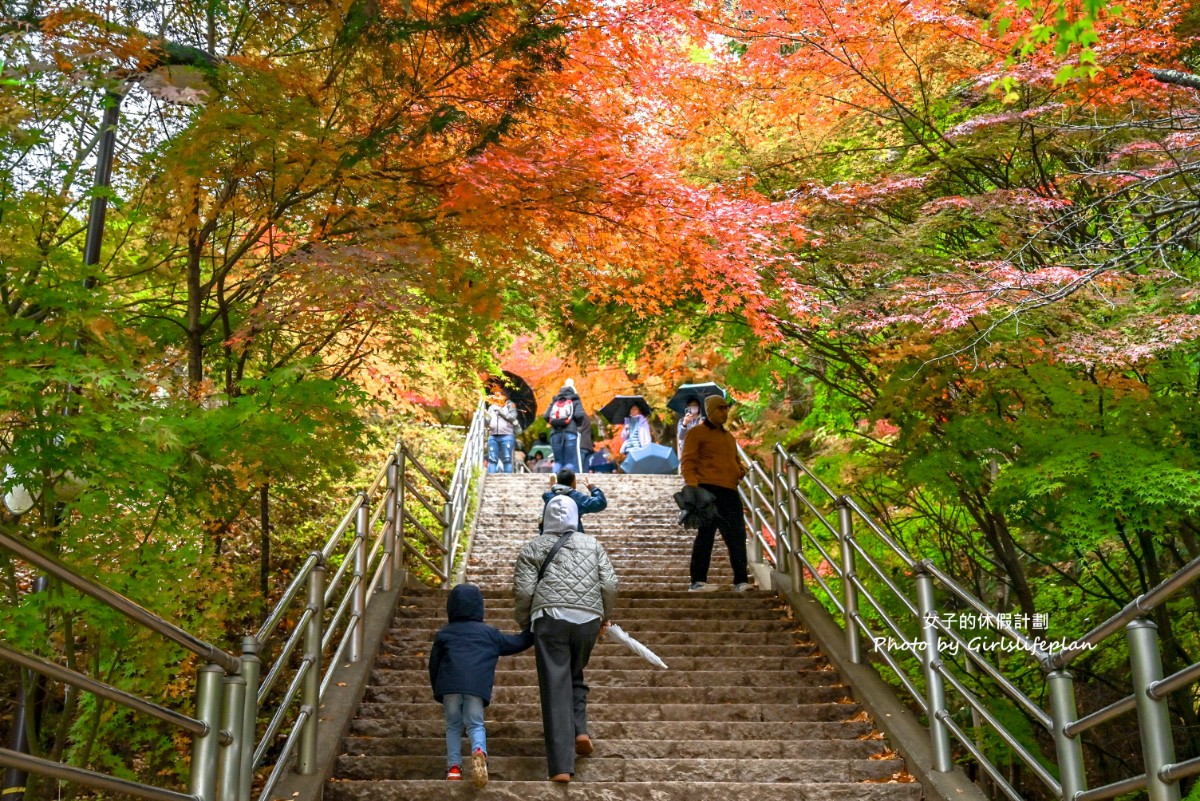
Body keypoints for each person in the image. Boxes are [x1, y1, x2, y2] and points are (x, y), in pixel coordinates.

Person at [513, 496, 618, 783]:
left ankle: (561, 766)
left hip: (551, 619)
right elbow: (609, 583)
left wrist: (526, 623)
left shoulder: (532, 548)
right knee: (574, 672)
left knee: (554, 687)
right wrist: (605, 616)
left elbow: (524, 593)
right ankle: (580, 730)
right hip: (588, 620)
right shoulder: (592, 544)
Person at [428, 583, 534, 786]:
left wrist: (438, 689)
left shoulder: (444, 634)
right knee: (475, 724)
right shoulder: (489, 633)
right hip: (476, 688)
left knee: (453, 726)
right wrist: (533, 630)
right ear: (479, 607)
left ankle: (454, 769)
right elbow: (516, 643)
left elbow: (434, 664)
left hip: (449, 687)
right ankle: (479, 752)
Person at [680, 395, 753, 593]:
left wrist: (739, 470)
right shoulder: (696, 433)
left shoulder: (729, 437)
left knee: (737, 536)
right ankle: (697, 580)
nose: (724, 412)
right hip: (707, 490)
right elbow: (688, 461)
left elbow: (735, 461)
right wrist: (693, 487)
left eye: (726, 408)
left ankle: (741, 580)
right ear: (711, 411)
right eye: (720, 408)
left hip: (730, 490)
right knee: (706, 535)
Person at [542, 468, 607, 532]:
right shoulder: (578, 498)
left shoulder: (549, 497)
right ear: (573, 482)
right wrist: (593, 488)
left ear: (558, 481)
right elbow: (601, 503)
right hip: (573, 537)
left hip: (550, 537)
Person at [543, 379, 587, 471]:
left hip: (555, 433)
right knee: (569, 462)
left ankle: (555, 477)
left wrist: (554, 423)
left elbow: (546, 415)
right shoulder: (575, 400)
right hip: (570, 433)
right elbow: (579, 415)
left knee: (558, 461)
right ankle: (566, 482)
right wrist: (577, 425)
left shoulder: (555, 401)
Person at [484, 386, 521, 474]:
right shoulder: (491, 407)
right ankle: (491, 477)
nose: (497, 395)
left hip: (507, 435)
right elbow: (487, 423)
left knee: (507, 458)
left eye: (499, 393)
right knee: (492, 458)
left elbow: (513, 417)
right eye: (495, 394)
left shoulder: (510, 405)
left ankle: (508, 478)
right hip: (493, 435)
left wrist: (501, 411)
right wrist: (485, 415)